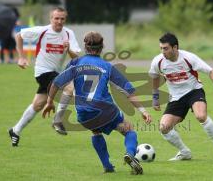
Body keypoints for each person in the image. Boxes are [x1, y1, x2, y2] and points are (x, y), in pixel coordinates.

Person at [42, 31, 152, 174]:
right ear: (102, 47)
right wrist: (143, 111)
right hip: (106, 110)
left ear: (85, 46)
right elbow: (127, 91)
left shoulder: (76, 63)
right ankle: (130, 154)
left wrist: (50, 101)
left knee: (96, 131)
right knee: (129, 130)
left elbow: (56, 83)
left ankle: (107, 166)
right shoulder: (106, 66)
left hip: (83, 113)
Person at [149, 32, 213, 161]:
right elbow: (154, 76)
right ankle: (184, 152)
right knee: (164, 128)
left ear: (175, 48)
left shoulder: (188, 58)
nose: (163, 51)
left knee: (201, 116)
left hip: (194, 91)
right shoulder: (158, 61)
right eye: (161, 48)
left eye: (166, 48)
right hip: (176, 97)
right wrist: (155, 97)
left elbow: (211, 71)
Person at [8, 7, 81, 146]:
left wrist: (69, 49)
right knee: (69, 88)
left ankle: (15, 130)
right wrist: (21, 58)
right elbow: (19, 36)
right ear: (51, 19)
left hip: (56, 73)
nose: (59, 21)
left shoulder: (68, 33)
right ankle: (58, 121)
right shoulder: (42, 31)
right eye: (56, 18)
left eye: (62, 19)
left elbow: (75, 57)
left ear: (65, 19)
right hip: (42, 71)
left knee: (38, 105)